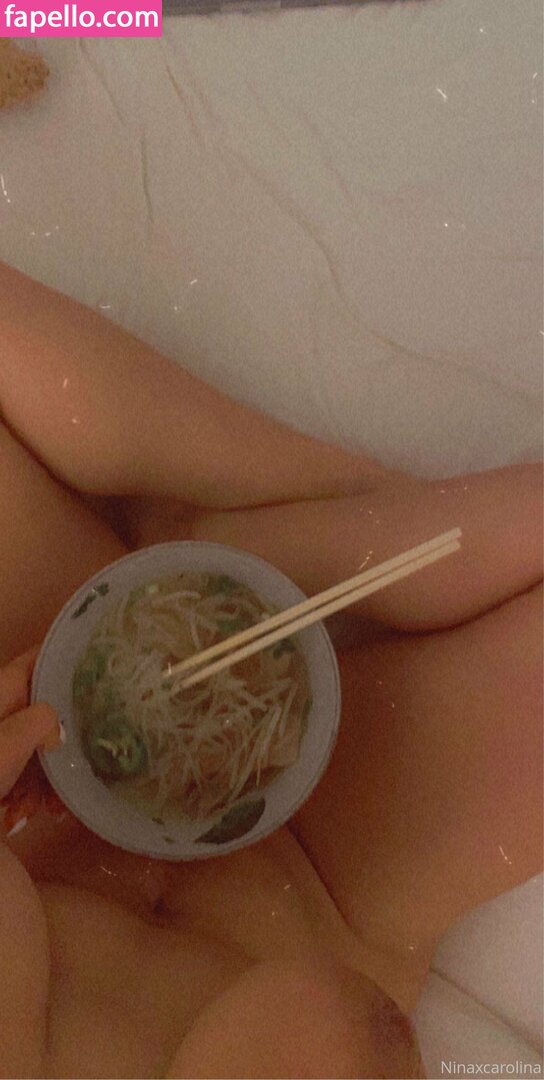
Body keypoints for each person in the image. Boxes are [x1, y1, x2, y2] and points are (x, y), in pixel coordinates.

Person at [0, 258, 541, 1080]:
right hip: (322, 888)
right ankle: (265, 542)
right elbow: (323, 1020)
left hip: (47, 779)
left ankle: (246, 520)